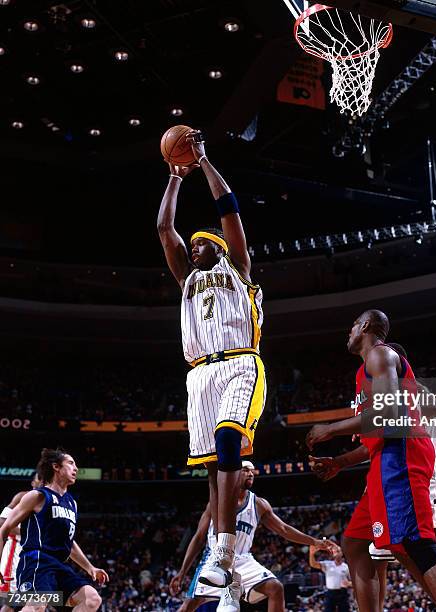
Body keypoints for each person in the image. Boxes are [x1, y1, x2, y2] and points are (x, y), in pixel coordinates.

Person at [157, 130, 265, 609]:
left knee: (227, 441)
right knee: (210, 468)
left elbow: (230, 210)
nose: (197, 245)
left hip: (239, 361)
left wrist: (203, 162)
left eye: (205, 242)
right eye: (194, 244)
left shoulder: (237, 267)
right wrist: (175, 179)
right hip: (198, 373)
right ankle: (221, 551)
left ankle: (222, 548)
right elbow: (165, 229)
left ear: (220, 248)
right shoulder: (188, 278)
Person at [306, 310, 436, 612]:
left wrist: (331, 428)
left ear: (366, 326)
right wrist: (339, 462)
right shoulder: (362, 375)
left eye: (353, 325)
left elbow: (389, 415)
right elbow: (375, 439)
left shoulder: (381, 355)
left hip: (404, 456)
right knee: (355, 543)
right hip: (384, 461)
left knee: (415, 544)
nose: (349, 331)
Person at [169, 461, 330, 611]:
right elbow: (198, 538)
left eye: (252, 471)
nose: (251, 473)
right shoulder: (215, 503)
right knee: (187, 607)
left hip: (243, 560)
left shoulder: (259, 504)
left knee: (275, 588)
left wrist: (314, 541)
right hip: (215, 559)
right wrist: (182, 572)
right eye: (245, 470)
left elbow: (283, 529)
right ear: (234, 474)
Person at [0, 448, 107, 612]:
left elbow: (69, 543)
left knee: (91, 599)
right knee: (34, 605)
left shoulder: (72, 503)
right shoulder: (36, 496)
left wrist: (90, 567)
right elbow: (4, 528)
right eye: (71, 463)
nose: (76, 468)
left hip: (59, 565)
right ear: (56, 467)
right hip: (36, 562)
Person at [0, 473, 42, 612]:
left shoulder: (49, 501)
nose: (42, 481)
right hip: (16, 552)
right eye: (39, 478)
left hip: (35, 557)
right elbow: (1, 523)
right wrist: (30, 534)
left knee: (34, 602)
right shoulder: (22, 497)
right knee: (12, 602)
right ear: (33, 483)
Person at [309, 544, 351, 612]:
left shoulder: (346, 567)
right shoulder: (327, 564)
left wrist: (349, 583)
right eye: (335, 551)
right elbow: (313, 564)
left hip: (342, 593)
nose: (336, 553)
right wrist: (311, 554)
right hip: (330, 593)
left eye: (338, 551)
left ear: (342, 553)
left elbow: (353, 583)